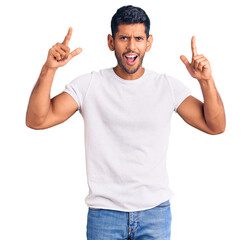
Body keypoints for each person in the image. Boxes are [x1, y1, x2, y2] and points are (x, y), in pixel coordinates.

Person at [25, 5, 226, 240]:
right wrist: (48, 69)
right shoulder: (89, 85)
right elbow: (37, 120)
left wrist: (206, 81)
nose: (131, 47)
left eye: (138, 38)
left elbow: (215, 126)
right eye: (123, 38)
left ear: (149, 42)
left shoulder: (166, 86)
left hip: (155, 213)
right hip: (105, 215)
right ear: (111, 42)